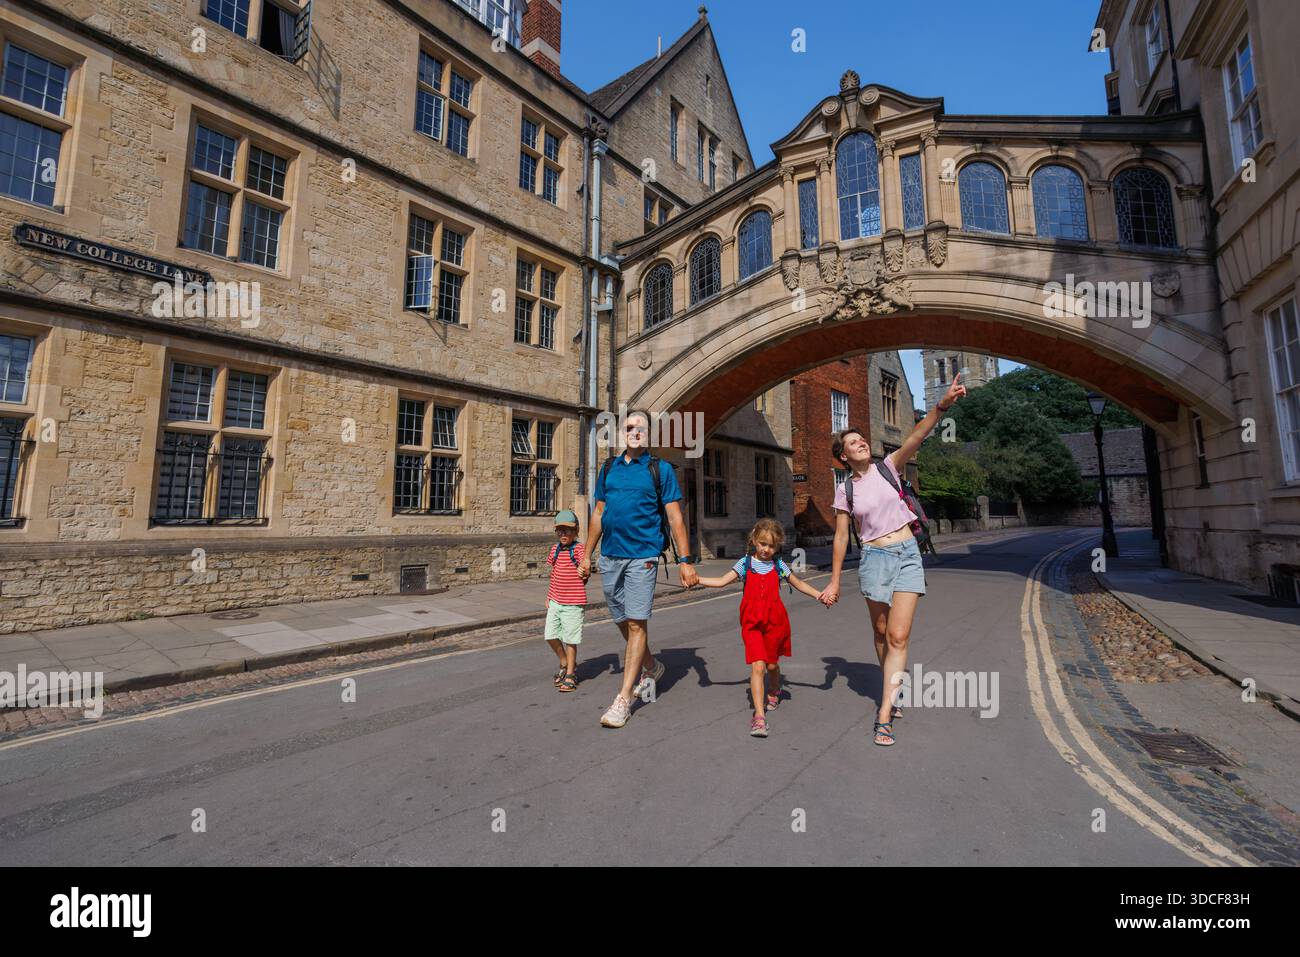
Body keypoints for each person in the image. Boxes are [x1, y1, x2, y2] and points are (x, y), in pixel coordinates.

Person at [818, 373, 968, 746]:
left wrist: (942, 404)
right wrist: (835, 580)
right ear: (843, 455)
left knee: (899, 635)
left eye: (861, 438)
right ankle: (892, 686)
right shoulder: (845, 491)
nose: (861, 442)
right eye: (853, 442)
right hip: (873, 558)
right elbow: (841, 537)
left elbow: (917, 434)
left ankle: (885, 711)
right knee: (882, 633)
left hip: (906, 554)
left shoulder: (889, 467)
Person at [579, 409, 698, 728]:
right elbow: (598, 513)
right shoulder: (609, 468)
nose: (634, 432)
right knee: (619, 617)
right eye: (629, 427)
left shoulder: (659, 470)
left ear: (649, 434)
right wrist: (586, 553)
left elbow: (675, 517)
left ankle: (624, 699)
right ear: (622, 433)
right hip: (610, 556)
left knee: (636, 623)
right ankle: (651, 665)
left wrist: (685, 561)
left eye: (641, 428)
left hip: (643, 556)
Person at [695, 518, 826, 737]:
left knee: (772, 665)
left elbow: (799, 583)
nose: (766, 549)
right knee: (758, 667)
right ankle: (759, 717)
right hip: (752, 624)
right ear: (754, 540)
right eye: (763, 543)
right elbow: (720, 581)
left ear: (777, 546)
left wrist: (819, 595)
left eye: (772, 545)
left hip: (775, 623)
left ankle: (774, 689)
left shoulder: (779, 565)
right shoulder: (744, 564)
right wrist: (696, 578)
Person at [543, 509, 586, 693]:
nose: (563, 534)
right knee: (550, 635)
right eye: (560, 530)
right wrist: (549, 596)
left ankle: (570, 673)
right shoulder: (555, 549)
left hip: (573, 602)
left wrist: (585, 571)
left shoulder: (578, 549)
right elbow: (554, 574)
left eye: (567, 530)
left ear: (575, 531)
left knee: (570, 639)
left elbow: (585, 567)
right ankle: (564, 660)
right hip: (555, 600)